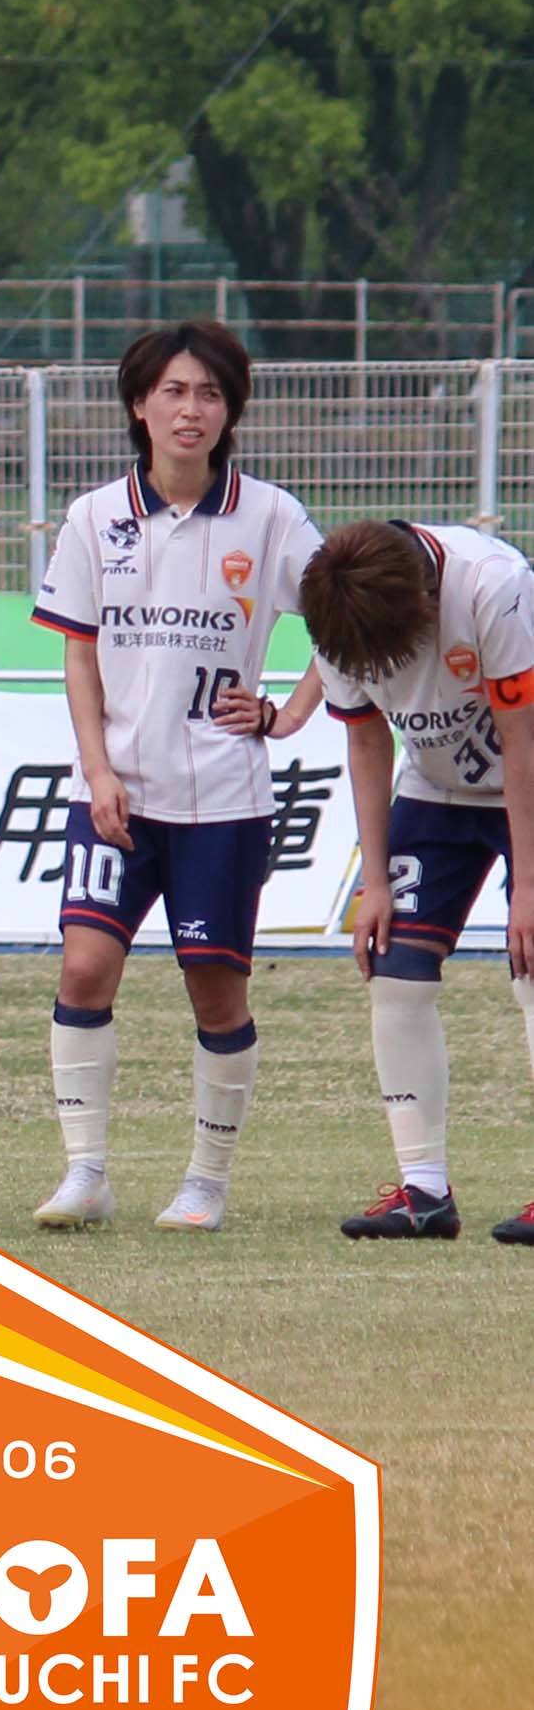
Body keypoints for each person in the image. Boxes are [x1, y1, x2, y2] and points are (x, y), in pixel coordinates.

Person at [28, 320, 324, 1230]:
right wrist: (96, 771)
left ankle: (206, 1182)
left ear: (230, 411)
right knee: (84, 969)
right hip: (115, 796)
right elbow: (79, 655)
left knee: (215, 987)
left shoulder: (270, 516)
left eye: (210, 394)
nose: (191, 410)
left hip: (224, 800)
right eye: (174, 392)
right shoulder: (93, 517)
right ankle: (85, 1174)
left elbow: (345, 622)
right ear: (139, 405)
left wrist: (284, 714)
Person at [296, 517, 534, 1242]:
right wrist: (374, 880)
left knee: (533, 963)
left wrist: (528, 888)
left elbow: (522, 738)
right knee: (394, 970)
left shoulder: (495, 585)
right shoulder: (334, 610)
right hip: (434, 791)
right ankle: (423, 1192)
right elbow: (367, 740)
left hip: (526, 779)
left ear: (427, 600)